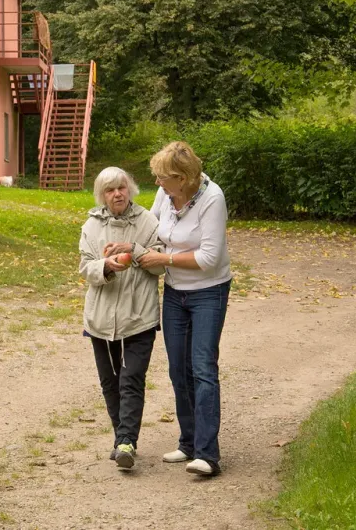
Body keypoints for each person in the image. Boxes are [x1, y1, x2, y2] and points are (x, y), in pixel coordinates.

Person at [138, 141, 232, 477]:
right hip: (175, 292)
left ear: (184, 178)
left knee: (202, 368)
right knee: (178, 369)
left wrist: (163, 259)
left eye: (164, 178)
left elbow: (209, 259)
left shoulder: (212, 198)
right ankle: (189, 443)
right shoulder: (166, 193)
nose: (158, 183)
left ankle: (209, 455)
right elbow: (151, 227)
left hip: (209, 291)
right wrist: (130, 245)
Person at [78, 167, 165, 470]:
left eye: (122, 188)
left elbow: (159, 266)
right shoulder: (91, 225)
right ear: (102, 195)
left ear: (130, 190)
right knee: (109, 382)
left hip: (139, 316)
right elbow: (85, 268)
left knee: (131, 379)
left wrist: (134, 251)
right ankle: (122, 439)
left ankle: (126, 440)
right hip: (100, 319)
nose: (117, 194)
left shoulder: (148, 222)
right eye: (110, 190)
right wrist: (107, 265)